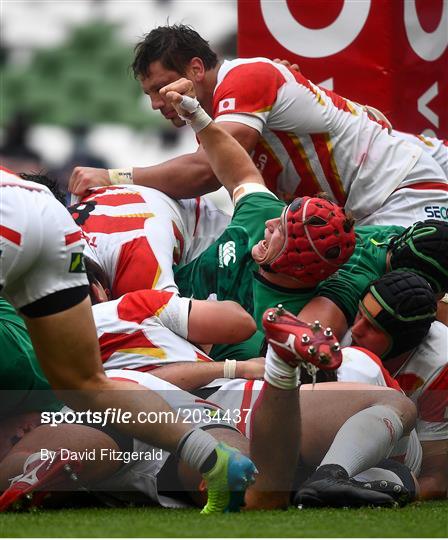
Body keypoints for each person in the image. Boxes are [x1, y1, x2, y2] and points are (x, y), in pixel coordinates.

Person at [0, 166, 257, 514]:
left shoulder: (132, 292)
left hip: (118, 403)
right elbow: (236, 322)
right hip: (47, 218)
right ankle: (209, 456)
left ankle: (35, 466)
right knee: (88, 384)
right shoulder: (131, 299)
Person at [68, 25, 448, 228]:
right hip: (382, 195)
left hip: (403, 190)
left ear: (196, 69)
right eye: (148, 93)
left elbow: (207, 173)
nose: (154, 104)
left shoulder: (244, 78)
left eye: (159, 88)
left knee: (398, 309)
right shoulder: (219, 114)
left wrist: (114, 177)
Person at [344, 270, 448, 500]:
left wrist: (393, 494)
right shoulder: (340, 323)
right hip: (338, 438)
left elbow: (436, 477)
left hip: (404, 459)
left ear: (403, 342)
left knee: (358, 362)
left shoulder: (441, 364)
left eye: (373, 327)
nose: (357, 329)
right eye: (359, 314)